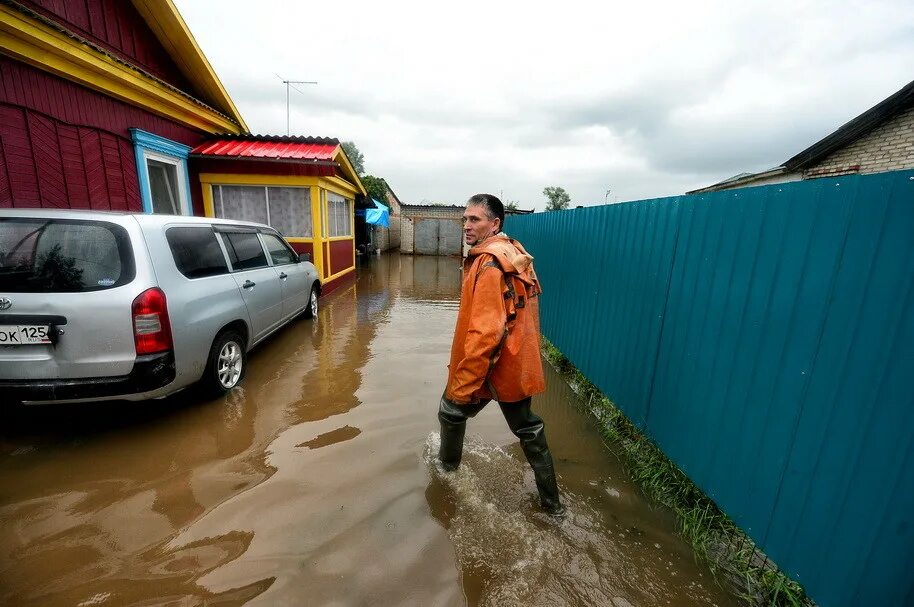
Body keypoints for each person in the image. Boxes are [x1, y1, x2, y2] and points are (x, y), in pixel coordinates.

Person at [437, 194, 564, 516]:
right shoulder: (514, 251)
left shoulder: (489, 263)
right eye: (465, 219)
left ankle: (445, 476)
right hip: (517, 360)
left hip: (494, 362)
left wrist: (464, 383)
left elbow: (486, 333)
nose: (466, 226)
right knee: (528, 428)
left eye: (474, 219)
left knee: (451, 411)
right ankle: (553, 507)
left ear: (495, 223)